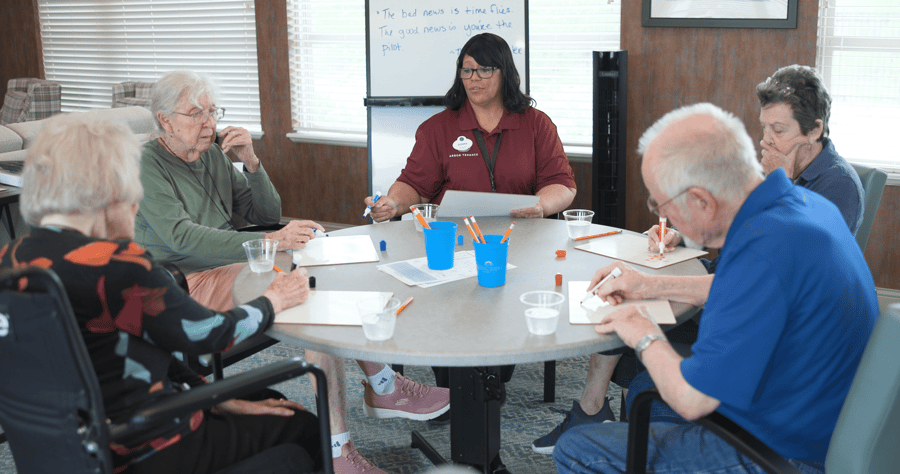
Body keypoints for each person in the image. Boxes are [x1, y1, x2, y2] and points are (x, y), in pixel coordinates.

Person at [532, 64, 867, 454]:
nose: (767, 143)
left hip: (781, 445)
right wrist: (648, 285)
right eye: (765, 131)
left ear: (703, 200)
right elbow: (745, 286)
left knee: (577, 448)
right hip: (812, 403)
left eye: (662, 204)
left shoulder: (773, 243)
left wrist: (642, 330)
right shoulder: (800, 205)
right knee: (644, 386)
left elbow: (693, 399)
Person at [134, 70, 448, 474]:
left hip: (235, 265)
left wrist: (251, 161)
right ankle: (357, 423)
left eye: (213, 112)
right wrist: (275, 242)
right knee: (305, 291)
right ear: (164, 120)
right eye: (196, 114)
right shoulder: (147, 163)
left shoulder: (211, 154)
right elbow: (180, 238)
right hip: (184, 284)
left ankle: (377, 393)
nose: (209, 123)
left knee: (317, 269)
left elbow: (263, 214)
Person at [2, 113, 322, 473]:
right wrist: (275, 299)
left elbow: (141, 349)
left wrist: (214, 398)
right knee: (304, 428)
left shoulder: (12, 257)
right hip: (150, 443)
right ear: (110, 192)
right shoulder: (117, 265)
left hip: (69, 449)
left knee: (265, 401)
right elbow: (208, 334)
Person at [365, 33, 577, 221]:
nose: (474, 77)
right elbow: (416, 187)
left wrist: (541, 206)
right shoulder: (437, 128)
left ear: (505, 73)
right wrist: (393, 203)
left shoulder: (537, 124)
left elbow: (561, 185)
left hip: (523, 234)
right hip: (454, 237)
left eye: (484, 70)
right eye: (467, 70)